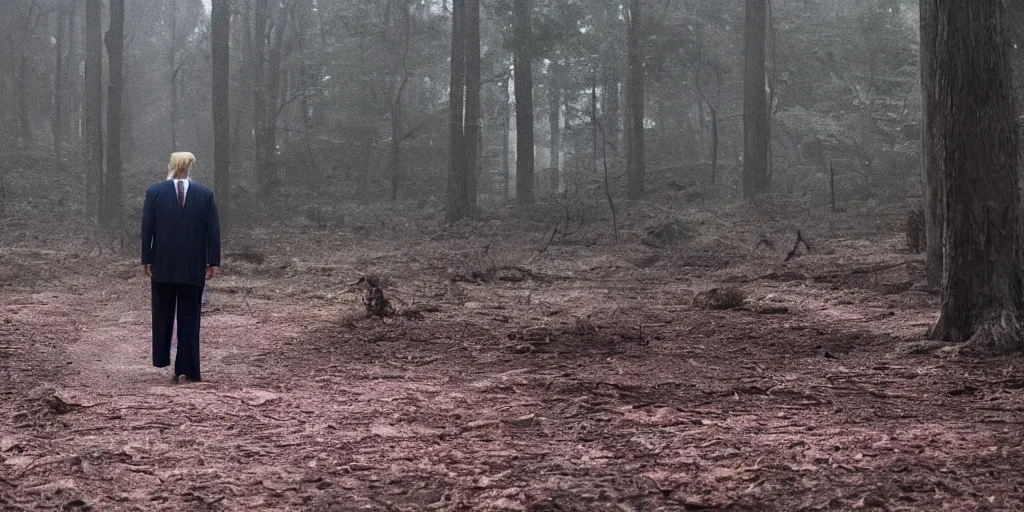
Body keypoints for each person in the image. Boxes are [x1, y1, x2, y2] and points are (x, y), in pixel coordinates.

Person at [140, 152, 221, 383]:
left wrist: (147, 258)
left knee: (162, 313)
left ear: (172, 166)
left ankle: (162, 358)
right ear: (189, 168)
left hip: (162, 264)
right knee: (190, 317)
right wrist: (213, 261)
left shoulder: (155, 192)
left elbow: (148, 229)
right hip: (192, 265)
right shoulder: (205, 195)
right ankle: (188, 367)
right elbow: (213, 231)